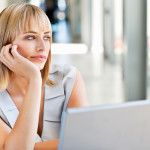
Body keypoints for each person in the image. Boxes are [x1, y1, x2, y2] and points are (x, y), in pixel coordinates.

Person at [0, 3, 89, 150]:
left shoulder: (68, 78)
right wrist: (34, 80)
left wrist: (32, 147)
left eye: (47, 37)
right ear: (6, 43)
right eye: (30, 37)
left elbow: (85, 141)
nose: (42, 46)